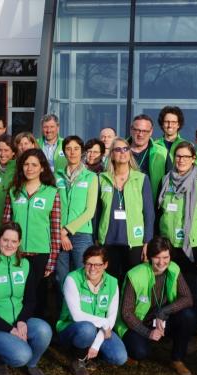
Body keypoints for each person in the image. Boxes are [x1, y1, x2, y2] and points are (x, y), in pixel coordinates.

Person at [0, 222, 52, 375]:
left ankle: (32, 365)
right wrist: (10, 329)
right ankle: (1, 358)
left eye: (14, 241)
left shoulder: (25, 265)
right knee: (21, 355)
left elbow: (31, 299)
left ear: (19, 242)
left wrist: (22, 321)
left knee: (44, 330)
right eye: (5, 240)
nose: (9, 245)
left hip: (19, 322)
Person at [118, 237, 197, 375]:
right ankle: (130, 351)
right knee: (140, 352)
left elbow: (187, 298)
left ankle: (177, 359)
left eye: (165, 257)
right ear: (149, 257)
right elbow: (126, 313)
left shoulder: (173, 269)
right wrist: (148, 332)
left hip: (160, 319)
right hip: (138, 323)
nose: (162, 262)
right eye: (157, 257)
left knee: (188, 315)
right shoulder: (135, 274)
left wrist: (164, 311)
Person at [157, 141, 197, 335]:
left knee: (192, 292)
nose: (180, 160)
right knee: (168, 290)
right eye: (177, 156)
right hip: (168, 247)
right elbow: (159, 213)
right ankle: (170, 329)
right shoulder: (166, 180)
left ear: (193, 159)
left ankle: (192, 333)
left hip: (191, 248)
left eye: (185, 157)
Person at [2, 148, 62, 318]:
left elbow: (55, 229)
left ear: (42, 168)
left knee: (37, 298)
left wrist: (52, 261)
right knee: (15, 294)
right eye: (26, 164)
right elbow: (5, 225)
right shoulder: (13, 191)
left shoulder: (52, 193)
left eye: (34, 165)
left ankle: (36, 337)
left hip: (40, 254)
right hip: (16, 252)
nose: (29, 168)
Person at [56, 245, 127, 375]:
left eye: (98, 265)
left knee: (120, 357)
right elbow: (77, 316)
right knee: (87, 329)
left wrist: (96, 345)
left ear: (105, 265)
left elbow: (111, 318)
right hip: (72, 328)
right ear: (84, 263)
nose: (93, 269)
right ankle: (77, 359)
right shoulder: (72, 279)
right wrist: (104, 323)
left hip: (99, 331)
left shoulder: (113, 283)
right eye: (89, 264)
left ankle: (91, 355)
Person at [97, 138, 155, 282]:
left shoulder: (141, 178)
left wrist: (147, 241)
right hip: (108, 240)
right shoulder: (101, 178)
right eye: (117, 149)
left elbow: (149, 213)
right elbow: (96, 212)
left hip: (134, 241)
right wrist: (96, 239)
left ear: (130, 153)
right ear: (111, 155)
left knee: (132, 282)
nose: (122, 152)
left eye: (125, 149)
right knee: (110, 281)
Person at [55, 136, 99, 292]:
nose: (72, 152)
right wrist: (60, 233)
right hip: (59, 234)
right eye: (68, 148)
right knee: (61, 277)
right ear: (64, 152)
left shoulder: (91, 177)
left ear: (82, 152)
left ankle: (82, 314)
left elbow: (90, 211)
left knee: (83, 275)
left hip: (81, 234)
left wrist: (66, 230)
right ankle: (65, 314)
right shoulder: (56, 177)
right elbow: (53, 208)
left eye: (76, 149)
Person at [126, 115, 169, 195]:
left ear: (151, 132)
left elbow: (170, 180)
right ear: (131, 130)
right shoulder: (119, 150)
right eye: (137, 130)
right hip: (125, 203)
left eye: (145, 131)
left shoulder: (162, 152)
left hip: (152, 204)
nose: (140, 134)